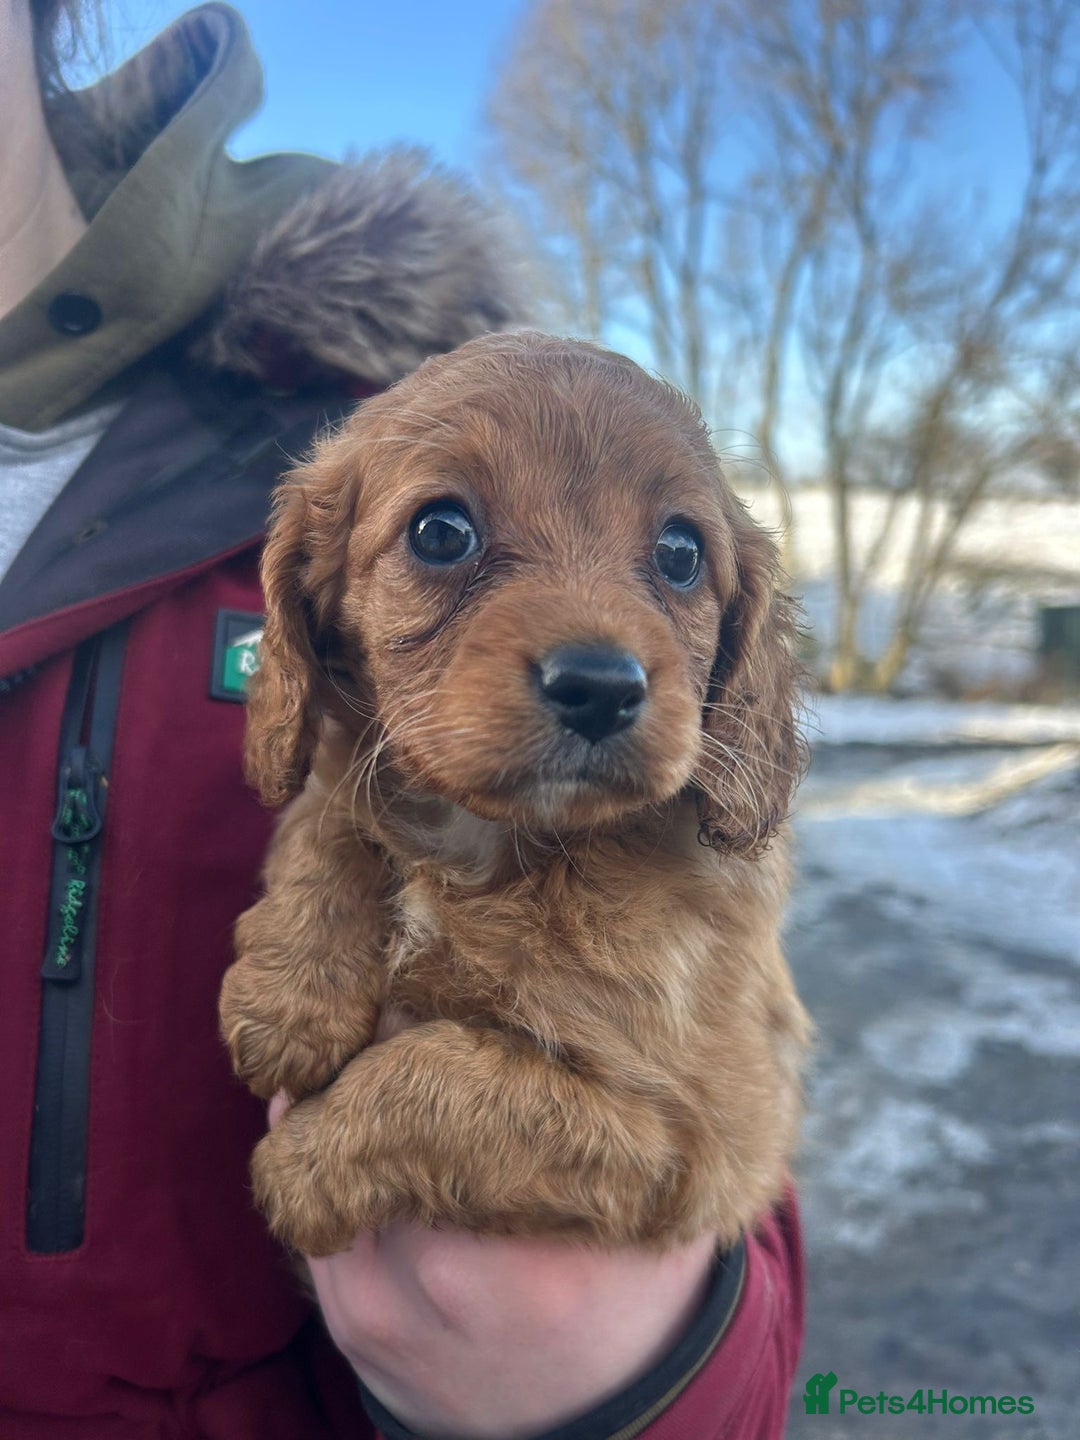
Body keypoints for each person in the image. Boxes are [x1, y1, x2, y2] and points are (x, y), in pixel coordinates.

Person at [0, 2, 806, 1436]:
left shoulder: (384, 407)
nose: (598, 646)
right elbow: (335, 798)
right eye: (449, 537)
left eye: (675, 559)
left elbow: (728, 1140)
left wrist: (635, 1380)